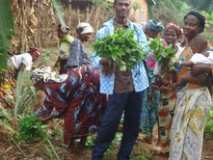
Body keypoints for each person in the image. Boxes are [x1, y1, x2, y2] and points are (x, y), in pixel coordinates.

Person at [91, 0, 149, 160]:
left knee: (133, 123)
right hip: (116, 84)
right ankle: (97, 155)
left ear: (130, 8)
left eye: (126, 4)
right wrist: (103, 60)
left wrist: (132, 52)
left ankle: (124, 156)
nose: (123, 7)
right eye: (120, 4)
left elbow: (145, 50)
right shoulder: (104, 31)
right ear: (114, 6)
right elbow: (94, 58)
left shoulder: (137, 29)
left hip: (137, 83)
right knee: (110, 122)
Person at [169, 11, 212, 160]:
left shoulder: (205, 51)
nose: (187, 27)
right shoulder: (185, 47)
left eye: (192, 24)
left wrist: (186, 78)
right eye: (186, 23)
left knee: (191, 140)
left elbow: (206, 79)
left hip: (198, 98)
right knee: (179, 136)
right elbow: (181, 71)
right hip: (185, 96)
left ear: (200, 29)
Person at [151, 23, 182, 155]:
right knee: (163, 118)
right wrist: (159, 82)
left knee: (176, 119)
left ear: (178, 36)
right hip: (164, 91)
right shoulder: (160, 51)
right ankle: (163, 147)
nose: (170, 37)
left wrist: (174, 78)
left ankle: (174, 148)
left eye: (173, 34)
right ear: (163, 36)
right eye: (167, 34)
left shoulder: (181, 52)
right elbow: (156, 71)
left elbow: (184, 72)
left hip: (178, 90)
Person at [139, 19, 164, 143]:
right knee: (149, 105)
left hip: (150, 80)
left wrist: (153, 81)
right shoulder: (153, 43)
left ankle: (146, 133)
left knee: (149, 104)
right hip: (149, 79)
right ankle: (146, 132)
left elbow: (152, 66)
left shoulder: (153, 45)